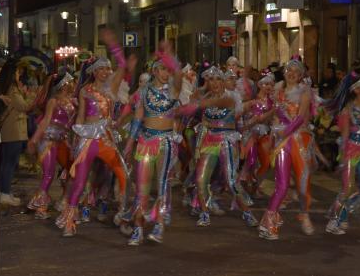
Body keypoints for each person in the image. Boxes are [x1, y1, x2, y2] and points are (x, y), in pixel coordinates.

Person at [56, 29, 136, 237]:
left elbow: (123, 68)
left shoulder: (111, 90)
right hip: (88, 138)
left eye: (107, 69)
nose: (105, 72)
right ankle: (69, 221)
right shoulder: (85, 91)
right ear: (93, 71)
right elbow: (81, 116)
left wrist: (115, 47)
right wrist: (76, 140)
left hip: (106, 137)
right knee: (80, 182)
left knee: (123, 175)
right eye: (101, 69)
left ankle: (124, 215)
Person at [180, 66, 258, 228]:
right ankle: (204, 212)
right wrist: (198, 148)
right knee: (201, 179)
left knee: (230, 181)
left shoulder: (231, 97)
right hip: (209, 140)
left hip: (227, 140)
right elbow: (204, 122)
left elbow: (225, 106)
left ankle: (247, 213)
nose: (214, 83)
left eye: (218, 79)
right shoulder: (206, 97)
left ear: (223, 82)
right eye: (211, 79)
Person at [123, 43, 183, 245]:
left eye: (168, 70)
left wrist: (170, 56)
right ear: (155, 70)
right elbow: (138, 119)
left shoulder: (174, 90)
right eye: (163, 69)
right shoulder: (144, 92)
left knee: (163, 185)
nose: (166, 73)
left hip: (166, 142)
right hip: (146, 141)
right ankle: (138, 228)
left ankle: (159, 224)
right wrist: (130, 143)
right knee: (142, 188)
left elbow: (179, 77)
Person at [258, 59, 315, 240]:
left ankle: (304, 214)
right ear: (284, 73)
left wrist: (285, 131)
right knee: (281, 185)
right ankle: (269, 222)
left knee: (303, 183)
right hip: (282, 143)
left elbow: (300, 118)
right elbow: (275, 117)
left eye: (295, 71)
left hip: (300, 140)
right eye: (288, 70)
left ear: (300, 75)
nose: (291, 73)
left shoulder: (305, 92)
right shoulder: (278, 92)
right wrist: (274, 132)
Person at [325, 74, 360, 235]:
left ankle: (341, 214)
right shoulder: (348, 110)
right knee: (347, 189)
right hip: (351, 151)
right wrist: (342, 159)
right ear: (355, 90)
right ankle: (336, 219)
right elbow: (345, 136)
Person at [26, 73, 76, 219]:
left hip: (62, 140)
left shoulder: (72, 102)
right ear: (64, 84)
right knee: (48, 173)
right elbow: (45, 122)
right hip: (47, 140)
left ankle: (64, 200)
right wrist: (33, 140)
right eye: (71, 82)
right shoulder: (53, 102)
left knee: (71, 169)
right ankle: (40, 207)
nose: (73, 84)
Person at [0, 60, 37, 206]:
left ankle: (5, 192)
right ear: (12, 74)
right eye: (17, 72)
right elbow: (24, 106)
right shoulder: (12, 89)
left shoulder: (10, 88)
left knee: (7, 163)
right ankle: (4, 193)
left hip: (12, 131)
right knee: (9, 164)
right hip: (13, 132)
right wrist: (31, 95)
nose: (19, 75)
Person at [240, 72, 276, 198]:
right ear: (260, 85)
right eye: (265, 84)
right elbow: (256, 119)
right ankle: (248, 185)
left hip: (266, 134)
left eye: (271, 84)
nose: (268, 87)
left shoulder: (272, 102)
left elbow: (271, 120)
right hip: (252, 134)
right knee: (251, 161)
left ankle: (255, 184)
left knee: (266, 163)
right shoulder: (253, 101)